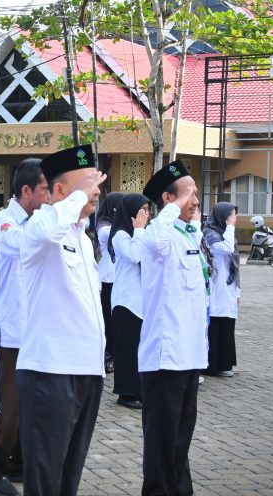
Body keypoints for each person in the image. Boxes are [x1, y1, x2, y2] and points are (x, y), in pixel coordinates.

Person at [17, 145, 107, 496]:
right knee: (45, 474)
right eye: (86, 183)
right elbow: (44, 232)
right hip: (50, 371)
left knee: (69, 472)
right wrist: (74, 201)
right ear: (59, 191)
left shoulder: (83, 239)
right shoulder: (42, 225)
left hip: (86, 369)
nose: (96, 190)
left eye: (97, 182)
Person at [138, 160, 208, 496]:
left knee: (181, 437)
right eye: (188, 193)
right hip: (165, 357)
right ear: (167, 199)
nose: (195, 199)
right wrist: (174, 208)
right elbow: (155, 240)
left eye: (196, 193)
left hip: (189, 354)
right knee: (162, 440)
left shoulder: (186, 235)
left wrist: (189, 216)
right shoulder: (159, 237)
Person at [0, 158, 49, 496]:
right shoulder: (4, 223)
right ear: (26, 191)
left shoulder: (36, 221)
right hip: (9, 329)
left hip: (34, 329)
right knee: (8, 408)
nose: (50, 196)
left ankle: (16, 461)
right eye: (45, 190)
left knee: (30, 405)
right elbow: (25, 245)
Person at [108, 193, 151, 410]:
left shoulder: (141, 234)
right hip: (126, 300)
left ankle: (140, 390)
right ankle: (126, 392)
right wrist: (141, 230)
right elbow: (135, 255)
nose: (146, 214)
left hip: (141, 300)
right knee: (127, 348)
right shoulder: (121, 235)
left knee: (139, 348)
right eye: (141, 209)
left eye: (148, 210)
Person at [201, 202, 240, 378]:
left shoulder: (225, 233)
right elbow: (226, 248)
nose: (233, 219)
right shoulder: (210, 234)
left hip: (228, 286)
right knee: (215, 323)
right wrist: (230, 227)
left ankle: (225, 363)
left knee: (227, 323)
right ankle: (211, 365)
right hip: (215, 285)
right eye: (230, 215)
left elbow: (235, 263)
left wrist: (238, 291)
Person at [96, 191, 123, 373]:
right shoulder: (106, 228)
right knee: (109, 319)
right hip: (109, 278)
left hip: (118, 277)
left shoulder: (115, 225)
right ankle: (109, 355)